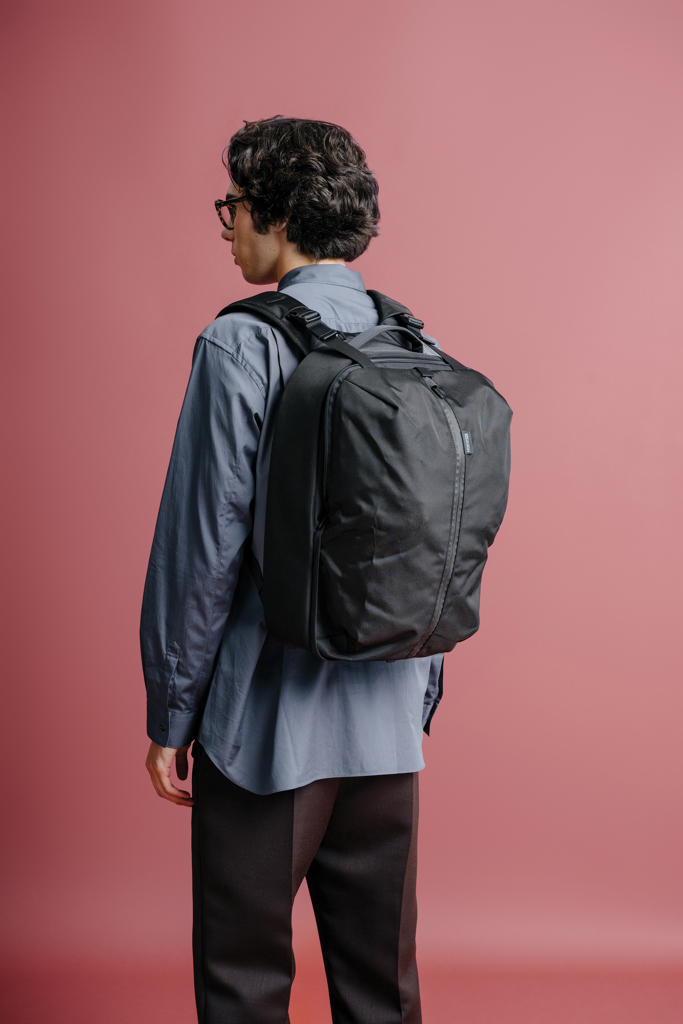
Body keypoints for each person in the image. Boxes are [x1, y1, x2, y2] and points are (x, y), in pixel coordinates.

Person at [141, 116, 443, 1024]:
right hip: (390, 720)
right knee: (381, 988)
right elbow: (432, 541)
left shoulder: (240, 344)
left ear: (277, 216)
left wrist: (172, 713)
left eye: (233, 205)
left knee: (244, 982)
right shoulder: (415, 344)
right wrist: (419, 696)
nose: (226, 226)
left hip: (266, 728)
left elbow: (201, 548)